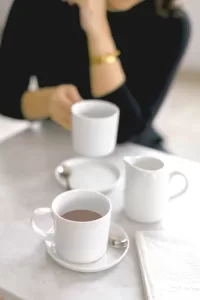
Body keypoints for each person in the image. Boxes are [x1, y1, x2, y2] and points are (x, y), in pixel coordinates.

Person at [0, 0, 190, 150]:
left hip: (134, 151)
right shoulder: (38, 4)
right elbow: (5, 97)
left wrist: (97, 29)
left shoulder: (171, 23)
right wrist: (48, 102)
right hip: (57, 141)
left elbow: (124, 131)